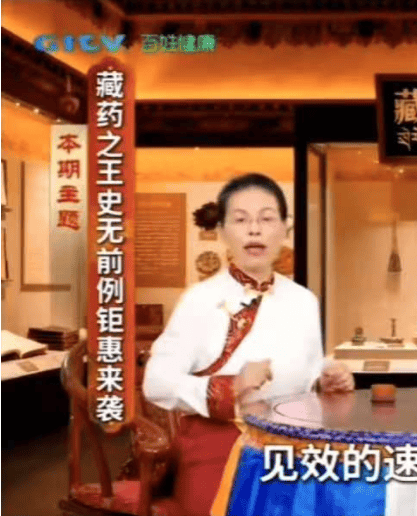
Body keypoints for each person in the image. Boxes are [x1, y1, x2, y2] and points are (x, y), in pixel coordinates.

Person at [142, 172, 355, 516]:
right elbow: (156, 381)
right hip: (220, 445)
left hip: (295, 445)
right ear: (222, 231)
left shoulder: (303, 300)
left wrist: (328, 376)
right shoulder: (199, 300)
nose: (254, 230)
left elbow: (309, 369)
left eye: (267, 219)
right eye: (241, 220)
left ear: (285, 228)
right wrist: (233, 388)